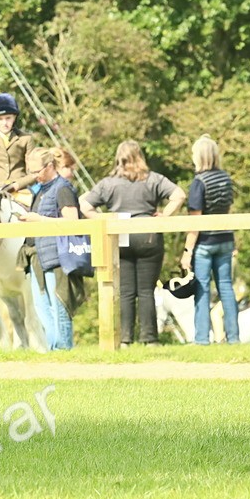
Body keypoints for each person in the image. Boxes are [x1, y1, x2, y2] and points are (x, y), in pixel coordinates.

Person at [81, 140, 186, 346]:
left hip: (121, 236)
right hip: (148, 235)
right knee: (146, 290)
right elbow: (179, 194)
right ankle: (150, 339)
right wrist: (165, 215)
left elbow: (84, 204)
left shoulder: (108, 183)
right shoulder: (154, 179)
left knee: (127, 291)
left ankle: (125, 339)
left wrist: (102, 220)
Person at [18, 149, 81, 350]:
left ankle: (63, 348)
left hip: (58, 255)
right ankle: (53, 348)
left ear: (49, 166)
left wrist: (39, 220)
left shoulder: (63, 189)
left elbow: (73, 222)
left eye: (36, 171)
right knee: (41, 306)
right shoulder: (42, 189)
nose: (34, 175)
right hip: (38, 254)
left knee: (58, 305)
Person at [181, 135, 238, 344]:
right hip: (225, 239)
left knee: (202, 289)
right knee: (226, 287)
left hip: (205, 243)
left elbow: (195, 222)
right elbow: (228, 210)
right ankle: (234, 338)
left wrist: (187, 252)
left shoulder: (199, 182)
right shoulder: (225, 178)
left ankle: (202, 339)